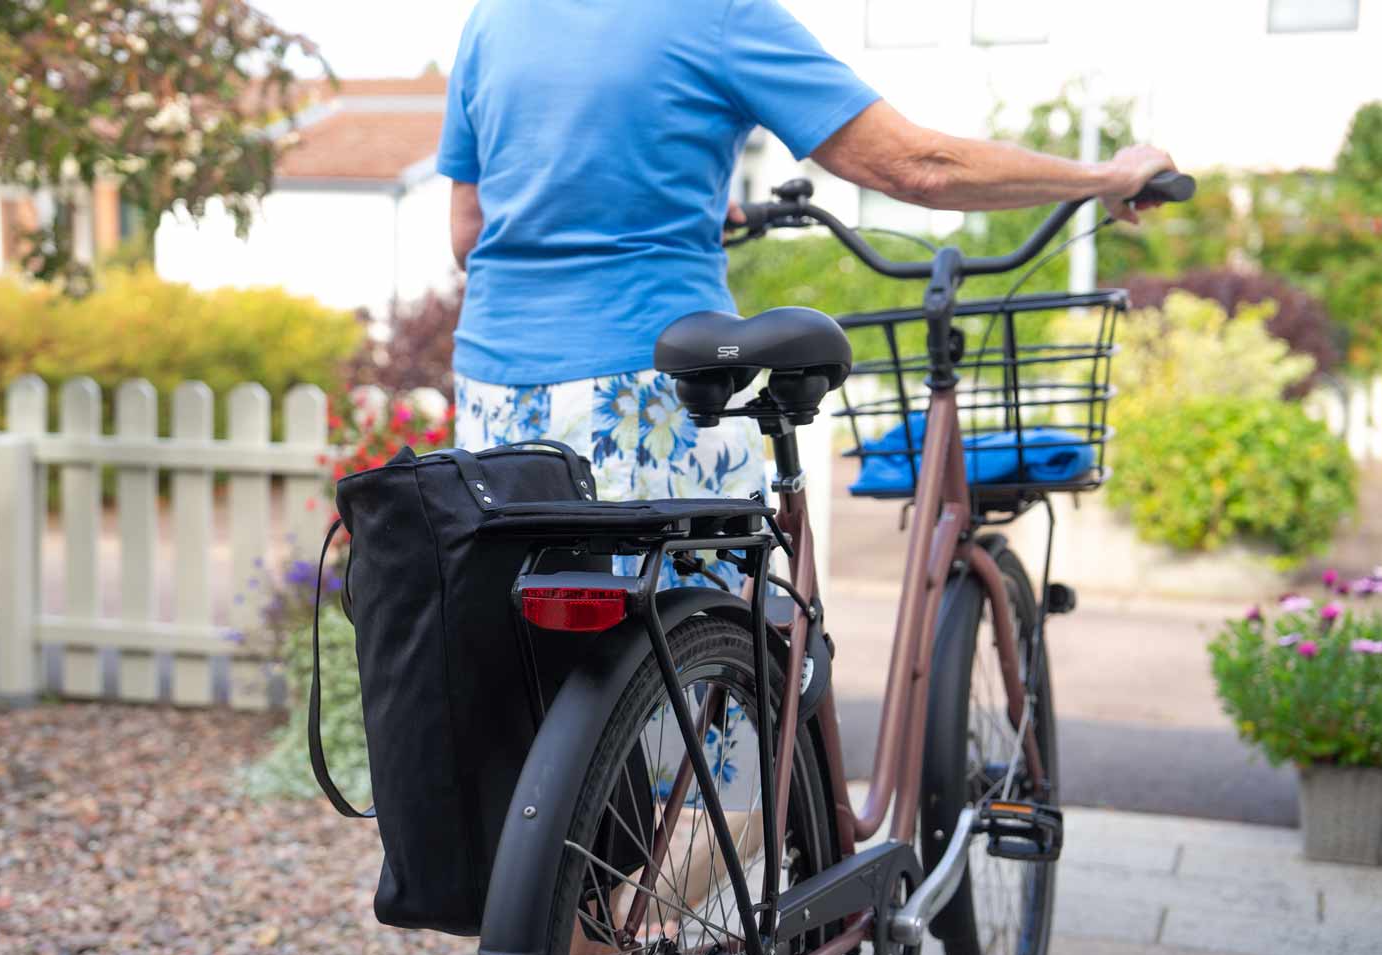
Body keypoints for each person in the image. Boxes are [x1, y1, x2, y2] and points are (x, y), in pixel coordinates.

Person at [439, 0, 1176, 585]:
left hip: (493, 400)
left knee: (527, 669)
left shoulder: (492, 18)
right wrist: (1103, 179)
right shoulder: (716, 13)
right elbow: (914, 166)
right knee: (692, 681)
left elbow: (469, 234)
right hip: (650, 394)